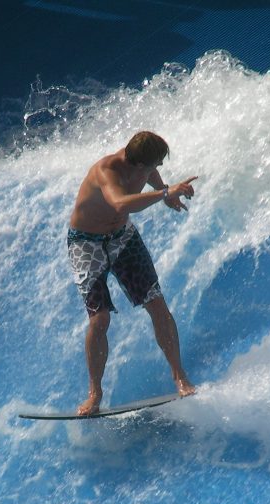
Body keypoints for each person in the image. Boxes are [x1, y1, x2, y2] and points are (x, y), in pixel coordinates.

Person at [66, 131, 197, 416]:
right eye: (155, 165)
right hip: (86, 244)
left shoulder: (142, 167)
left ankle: (179, 376)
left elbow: (149, 178)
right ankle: (95, 394)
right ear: (138, 163)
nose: (158, 169)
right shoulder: (107, 170)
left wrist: (164, 192)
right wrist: (165, 192)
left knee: (157, 305)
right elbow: (120, 203)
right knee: (99, 320)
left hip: (123, 238)